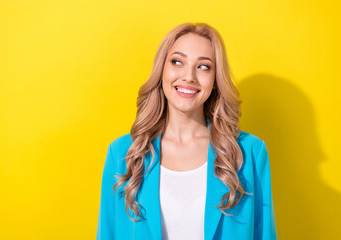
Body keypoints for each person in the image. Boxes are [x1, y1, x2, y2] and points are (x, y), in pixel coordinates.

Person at [96, 22, 277, 240]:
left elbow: (264, 234)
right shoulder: (123, 153)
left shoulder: (249, 152)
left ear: (215, 80)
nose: (189, 76)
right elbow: (108, 234)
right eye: (177, 62)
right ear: (162, 70)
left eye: (203, 66)